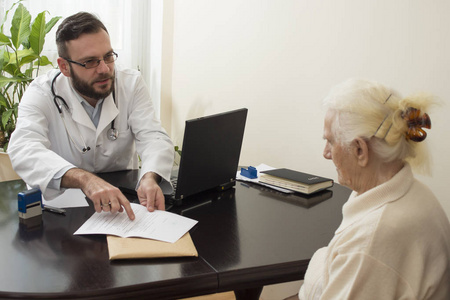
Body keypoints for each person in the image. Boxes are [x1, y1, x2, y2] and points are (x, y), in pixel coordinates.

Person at [294, 79, 450, 299]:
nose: (326, 153)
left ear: (360, 150)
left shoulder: (371, 240)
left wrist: (317, 271)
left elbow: (356, 255)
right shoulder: (418, 193)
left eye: (330, 141)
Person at [8, 12, 174, 220]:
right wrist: (84, 179)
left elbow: (153, 136)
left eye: (108, 56)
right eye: (90, 62)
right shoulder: (42, 92)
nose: (104, 69)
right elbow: (23, 148)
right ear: (64, 67)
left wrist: (150, 177)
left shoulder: (130, 83)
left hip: (121, 207)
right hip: (63, 212)